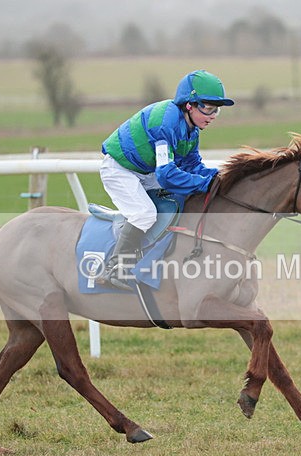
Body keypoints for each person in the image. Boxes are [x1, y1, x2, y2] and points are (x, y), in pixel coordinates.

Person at [98, 69, 235, 290]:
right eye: (208, 108)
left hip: (146, 172)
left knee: (182, 199)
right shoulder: (166, 123)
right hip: (120, 169)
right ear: (189, 105)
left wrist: (220, 178)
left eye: (216, 110)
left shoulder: (192, 130)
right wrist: (205, 183)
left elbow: (192, 166)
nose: (212, 116)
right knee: (144, 213)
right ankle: (115, 268)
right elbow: (167, 174)